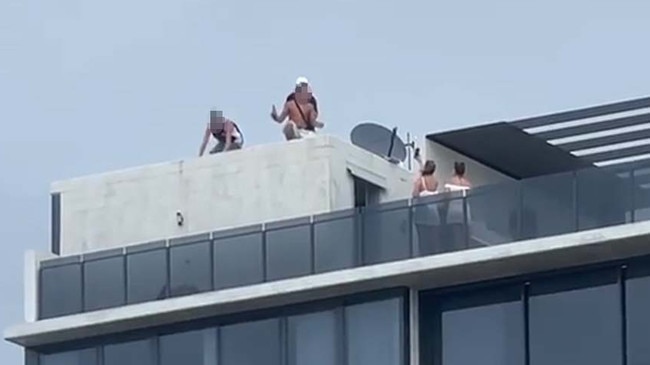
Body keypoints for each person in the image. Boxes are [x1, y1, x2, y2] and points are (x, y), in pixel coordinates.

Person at [412, 160, 441, 255]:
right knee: (433, 240)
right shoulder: (435, 182)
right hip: (434, 213)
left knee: (422, 240)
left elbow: (415, 194)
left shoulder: (421, 181)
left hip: (422, 213)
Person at [444, 162, 472, 249]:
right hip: (464, 209)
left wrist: (445, 207)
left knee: (456, 235)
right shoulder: (468, 184)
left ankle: (457, 250)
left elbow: (446, 198)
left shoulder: (450, 182)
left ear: (454, 170)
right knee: (464, 235)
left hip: (454, 209)